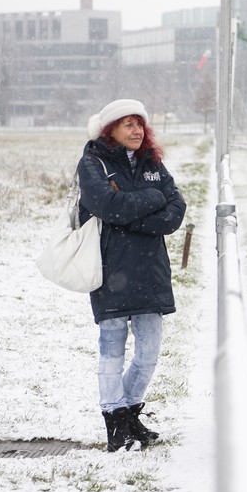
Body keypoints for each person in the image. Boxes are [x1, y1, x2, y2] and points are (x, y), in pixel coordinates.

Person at [79, 99, 187, 452]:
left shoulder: (152, 162)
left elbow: (175, 212)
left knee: (149, 352)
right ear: (110, 129)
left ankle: (130, 412)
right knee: (111, 350)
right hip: (111, 270)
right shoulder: (93, 163)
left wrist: (131, 213)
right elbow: (106, 206)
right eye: (127, 124)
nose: (136, 131)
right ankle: (114, 420)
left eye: (139, 124)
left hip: (150, 272)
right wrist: (152, 199)